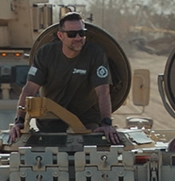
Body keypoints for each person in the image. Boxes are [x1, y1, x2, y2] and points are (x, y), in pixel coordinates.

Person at [8, 12, 121, 144]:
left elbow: (103, 91)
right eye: (72, 34)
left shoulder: (95, 54)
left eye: (82, 33)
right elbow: (29, 89)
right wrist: (19, 121)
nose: (78, 38)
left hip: (86, 121)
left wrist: (106, 123)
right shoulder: (46, 54)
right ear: (61, 36)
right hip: (50, 121)